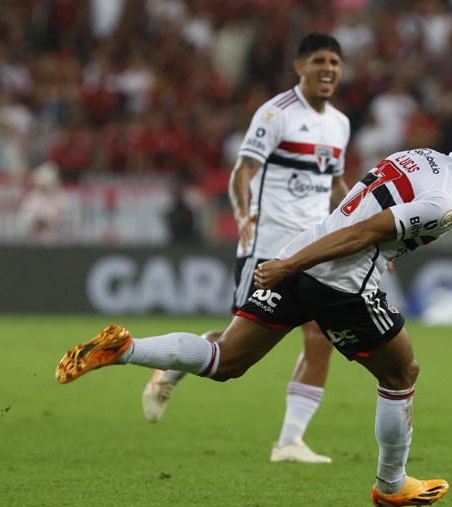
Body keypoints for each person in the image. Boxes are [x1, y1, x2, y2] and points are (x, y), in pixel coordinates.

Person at [55, 115, 452, 507]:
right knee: (401, 373)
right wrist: (296, 265)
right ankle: (390, 487)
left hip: (303, 250)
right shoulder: (445, 205)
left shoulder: (418, 157)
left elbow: (362, 209)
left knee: (226, 359)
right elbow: (367, 230)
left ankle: (124, 349)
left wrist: (297, 261)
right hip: (337, 279)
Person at [141, 32, 351, 464]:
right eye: (319, 61)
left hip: (311, 249)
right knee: (233, 350)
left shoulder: (340, 124)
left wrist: (357, 232)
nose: (328, 68)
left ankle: (289, 441)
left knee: (320, 335)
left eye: (334, 61)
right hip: (268, 247)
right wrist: (242, 217)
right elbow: (243, 170)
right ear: (300, 66)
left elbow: (335, 187)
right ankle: (170, 371)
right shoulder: (276, 114)